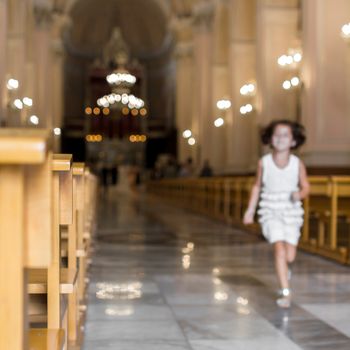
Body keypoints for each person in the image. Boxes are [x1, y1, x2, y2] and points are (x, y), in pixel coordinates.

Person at [243, 120, 310, 308]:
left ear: (293, 141)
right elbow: (257, 186)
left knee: (290, 256)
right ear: (270, 139)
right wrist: (250, 210)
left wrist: (300, 194)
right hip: (270, 209)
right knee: (279, 249)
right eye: (277, 134)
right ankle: (285, 291)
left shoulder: (297, 164)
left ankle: (285, 269)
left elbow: (306, 186)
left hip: (291, 210)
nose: (280, 138)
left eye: (285, 135)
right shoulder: (263, 163)